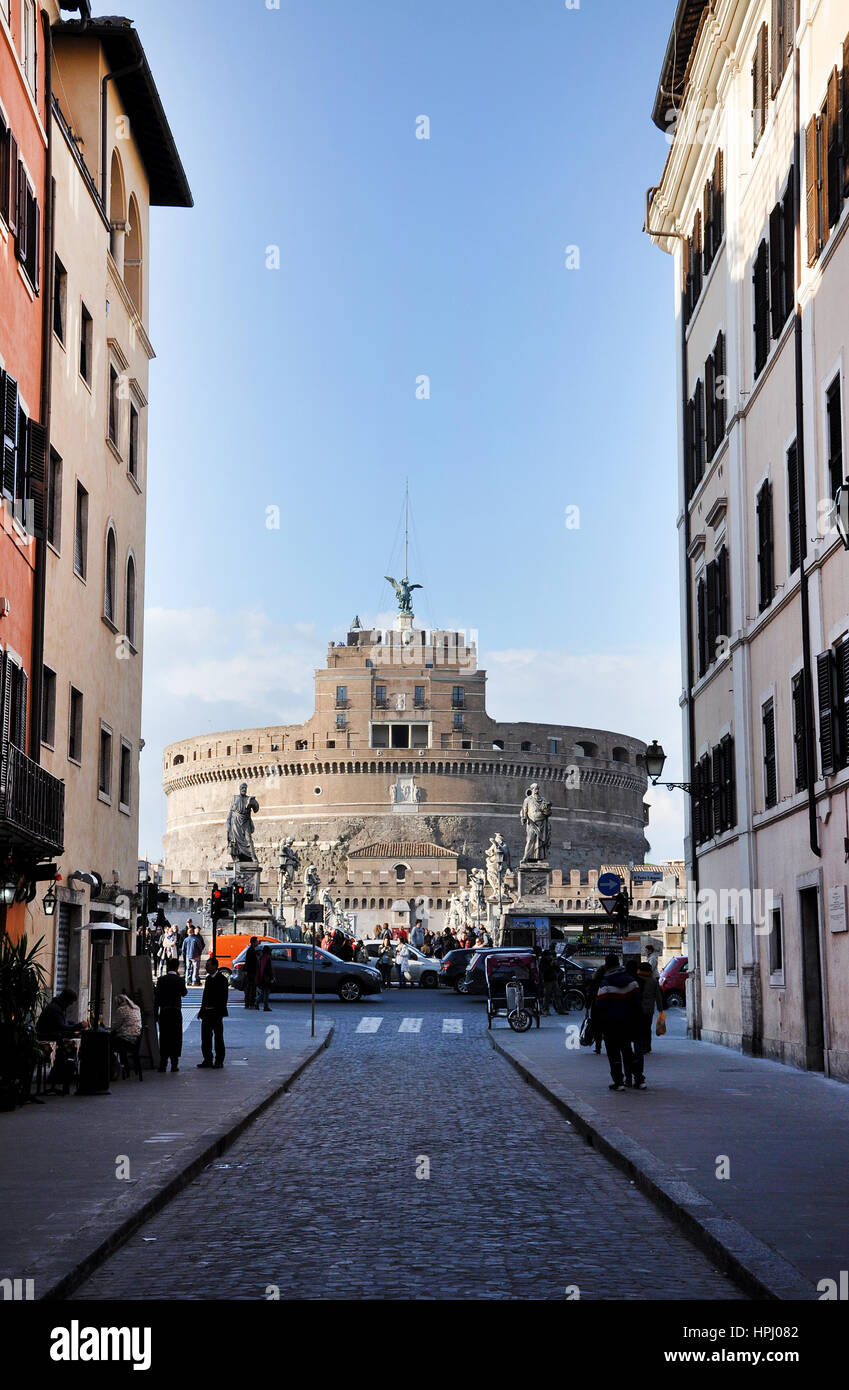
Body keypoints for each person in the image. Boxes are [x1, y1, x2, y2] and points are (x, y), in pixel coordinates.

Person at [591, 953, 642, 1091]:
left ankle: (618, 1082)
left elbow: (601, 1006)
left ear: (607, 965)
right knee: (628, 1051)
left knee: (613, 1053)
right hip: (628, 1022)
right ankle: (639, 1078)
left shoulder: (605, 984)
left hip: (611, 1024)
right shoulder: (632, 981)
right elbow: (638, 1002)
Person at [633, 961, 664, 1088]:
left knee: (640, 1029)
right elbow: (658, 996)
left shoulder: (636, 980)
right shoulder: (652, 981)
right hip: (649, 1009)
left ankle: (641, 1046)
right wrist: (661, 1009)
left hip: (637, 1009)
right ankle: (647, 1046)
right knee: (647, 1028)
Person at [154, 959, 187, 1072]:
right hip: (176, 1012)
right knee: (176, 1037)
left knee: (164, 1037)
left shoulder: (161, 980)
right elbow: (184, 993)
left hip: (164, 1011)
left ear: (167, 967)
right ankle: (174, 1063)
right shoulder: (180, 980)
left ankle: (163, 1063)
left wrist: (155, 1013)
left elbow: (157, 999)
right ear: (177, 967)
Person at [197, 957, 229, 1068]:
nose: (206, 967)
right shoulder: (209, 979)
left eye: (208, 965)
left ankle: (219, 1060)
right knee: (205, 1037)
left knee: (218, 1037)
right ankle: (207, 1059)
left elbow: (223, 997)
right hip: (207, 1012)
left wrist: (218, 1010)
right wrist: (202, 1010)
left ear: (215, 966)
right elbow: (205, 996)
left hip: (216, 1013)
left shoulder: (222, 979)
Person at [112, 993, 143, 1077]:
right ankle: (123, 1068)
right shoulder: (136, 1008)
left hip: (125, 1039)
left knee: (107, 1045)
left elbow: (115, 1026)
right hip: (135, 1039)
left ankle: (115, 1067)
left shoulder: (121, 1010)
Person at [539, 948, 559, 1016]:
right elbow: (544, 970)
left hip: (554, 979)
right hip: (547, 980)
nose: (550, 957)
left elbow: (557, 969)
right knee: (547, 996)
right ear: (545, 956)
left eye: (550, 955)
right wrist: (550, 965)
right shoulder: (542, 962)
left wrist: (555, 965)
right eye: (548, 955)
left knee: (557, 994)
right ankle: (545, 1010)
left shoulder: (551, 960)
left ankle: (560, 1009)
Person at [256, 945, 274, 1012]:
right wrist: (272, 977)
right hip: (266, 978)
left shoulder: (262, 957)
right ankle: (265, 1006)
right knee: (266, 992)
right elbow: (269, 969)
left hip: (262, 977)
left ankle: (257, 1003)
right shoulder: (268, 958)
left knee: (263, 992)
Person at [243, 936, 259, 1009]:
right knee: (251, 988)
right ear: (253, 942)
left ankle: (248, 1004)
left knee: (250, 988)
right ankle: (250, 1004)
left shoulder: (252, 950)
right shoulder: (251, 951)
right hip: (251, 972)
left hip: (251, 971)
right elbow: (250, 962)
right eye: (257, 941)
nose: (258, 942)